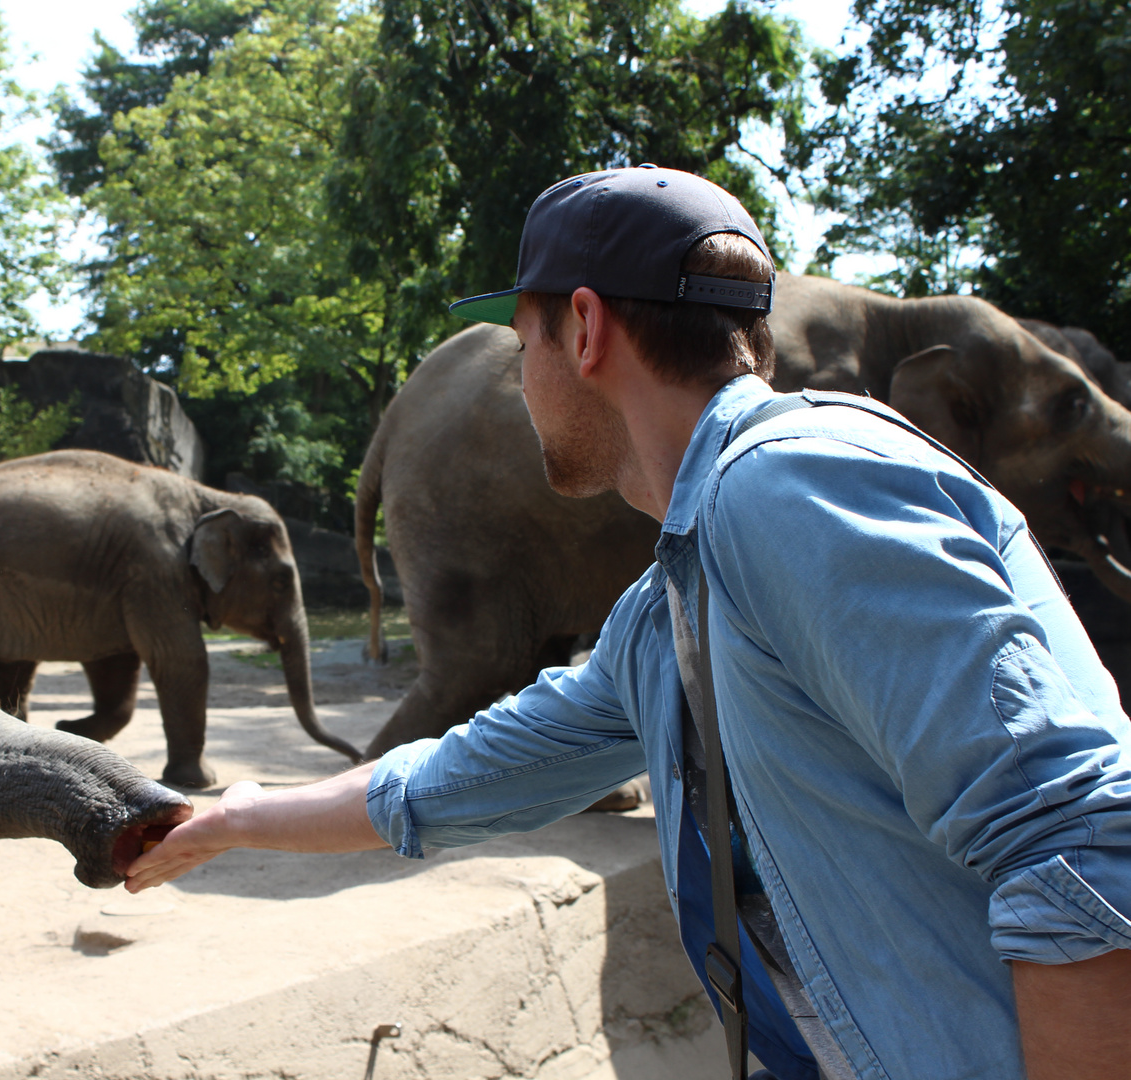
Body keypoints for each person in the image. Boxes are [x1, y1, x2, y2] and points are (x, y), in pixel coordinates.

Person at [124, 166, 1131, 1079]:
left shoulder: (787, 484)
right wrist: (239, 818)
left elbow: (1073, 833)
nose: (523, 381)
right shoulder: (677, 601)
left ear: (588, 331)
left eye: (525, 346)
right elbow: (477, 768)